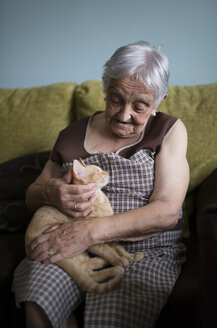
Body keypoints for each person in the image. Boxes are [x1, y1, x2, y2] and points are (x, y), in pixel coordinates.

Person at [12, 41, 189, 328]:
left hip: (143, 250)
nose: (124, 115)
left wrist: (89, 232)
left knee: (112, 312)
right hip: (70, 241)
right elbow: (32, 195)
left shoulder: (168, 130)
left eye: (140, 106)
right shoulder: (71, 135)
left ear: (159, 101)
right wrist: (50, 192)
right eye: (116, 99)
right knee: (38, 292)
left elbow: (167, 211)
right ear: (105, 90)